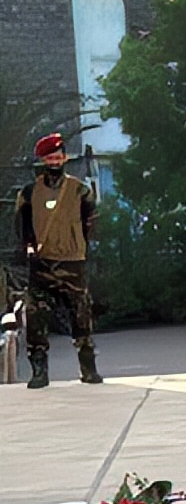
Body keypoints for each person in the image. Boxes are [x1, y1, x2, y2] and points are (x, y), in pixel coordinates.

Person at [12, 133, 100, 389]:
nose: (55, 161)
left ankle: (88, 368)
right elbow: (22, 226)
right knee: (36, 317)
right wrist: (29, 249)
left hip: (73, 262)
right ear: (43, 160)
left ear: (64, 158)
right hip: (42, 263)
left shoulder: (80, 190)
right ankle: (39, 371)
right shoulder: (29, 193)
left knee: (81, 314)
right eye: (50, 158)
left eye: (58, 157)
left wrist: (79, 246)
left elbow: (91, 222)